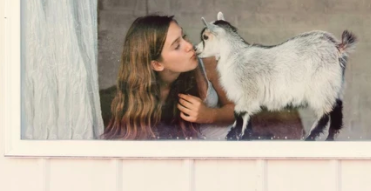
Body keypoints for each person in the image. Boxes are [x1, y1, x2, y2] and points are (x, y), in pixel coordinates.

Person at [101, 15, 304, 140]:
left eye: (184, 36)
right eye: (176, 45)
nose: (189, 45)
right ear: (156, 64)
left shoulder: (200, 65)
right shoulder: (118, 102)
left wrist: (208, 114)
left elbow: (237, 109)